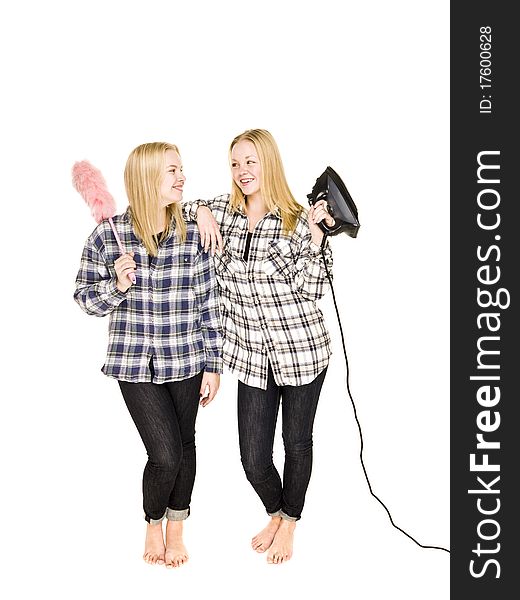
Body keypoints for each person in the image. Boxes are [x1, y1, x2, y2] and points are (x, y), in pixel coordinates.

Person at [184, 129, 334, 564]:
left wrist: (317, 238)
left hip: (302, 352)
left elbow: (314, 287)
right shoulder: (223, 211)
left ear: (268, 161)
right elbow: (177, 204)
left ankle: (289, 521)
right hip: (250, 356)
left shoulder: (297, 218)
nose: (242, 171)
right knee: (253, 457)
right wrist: (201, 213)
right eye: (235, 163)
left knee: (296, 443)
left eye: (250, 161)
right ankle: (275, 509)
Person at [74, 142, 222, 568]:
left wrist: (213, 364)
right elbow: (85, 299)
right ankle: (152, 520)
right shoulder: (107, 237)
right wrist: (116, 286)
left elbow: (209, 302)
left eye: (181, 169)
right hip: (133, 362)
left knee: (186, 445)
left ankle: (176, 526)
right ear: (147, 178)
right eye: (172, 171)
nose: (182, 177)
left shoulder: (194, 234)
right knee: (165, 453)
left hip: (187, 358)